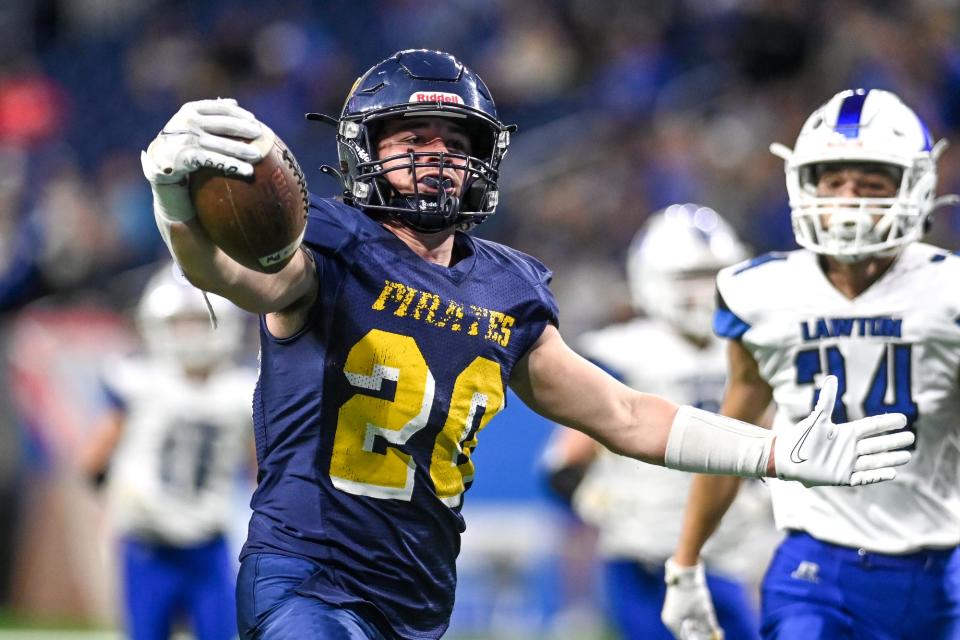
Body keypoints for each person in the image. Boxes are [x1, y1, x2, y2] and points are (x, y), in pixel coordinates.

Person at [139, 51, 913, 640]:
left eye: (454, 139)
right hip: (305, 571)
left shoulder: (507, 288)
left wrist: (775, 453)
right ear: (365, 148)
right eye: (412, 137)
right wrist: (176, 205)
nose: (436, 154)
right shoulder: (333, 244)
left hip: (417, 588)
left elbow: (623, 413)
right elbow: (242, 277)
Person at [661, 88, 960, 640]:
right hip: (816, 568)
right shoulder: (760, 291)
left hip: (939, 569)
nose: (848, 200)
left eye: (871, 185)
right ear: (805, 185)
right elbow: (733, 431)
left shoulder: (949, 293)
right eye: (833, 182)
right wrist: (685, 564)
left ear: (914, 189)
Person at [543, 204, 776, 640]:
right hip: (646, 553)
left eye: (713, 276)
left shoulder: (753, 347)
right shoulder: (622, 352)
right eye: (689, 278)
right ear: (651, 280)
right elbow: (564, 467)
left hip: (736, 547)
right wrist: (601, 505)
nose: (703, 291)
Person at [81, 261, 257, 640]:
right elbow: (93, 460)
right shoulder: (139, 381)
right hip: (148, 541)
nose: (190, 336)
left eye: (198, 323)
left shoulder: (240, 390)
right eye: (181, 324)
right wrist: (117, 503)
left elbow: (259, 469)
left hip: (207, 540)